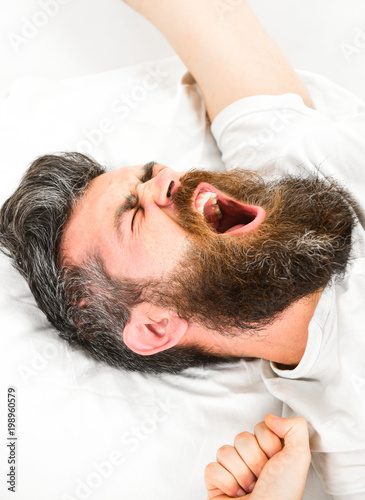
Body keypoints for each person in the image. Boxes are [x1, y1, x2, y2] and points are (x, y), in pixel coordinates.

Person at [0, 0, 364, 497]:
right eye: (133, 214)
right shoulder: (351, 437)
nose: (167, 176)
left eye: (148, 174)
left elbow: (209, 14)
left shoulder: (282, 158)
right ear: (155, 326)